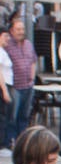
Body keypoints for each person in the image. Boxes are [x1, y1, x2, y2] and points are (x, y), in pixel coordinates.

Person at [3, 14, 36, 149]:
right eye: (18, 29)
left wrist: (32, 77)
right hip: (15, 86)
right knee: (12, 116)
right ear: (11, 31)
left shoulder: (28, 44)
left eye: (22, 29)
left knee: (24, 115)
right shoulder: (7, 45)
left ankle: (22, 141)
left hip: (28, 85)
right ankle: (11, 141)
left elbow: (33, 60)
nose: (21, 32)